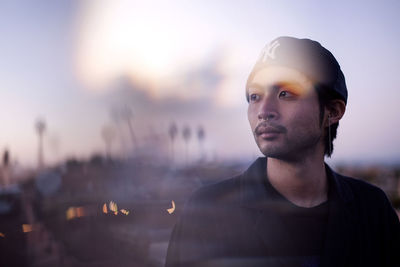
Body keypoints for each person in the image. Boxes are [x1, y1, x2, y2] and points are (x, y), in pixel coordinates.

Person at [165, 36, 400, 267]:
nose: (264, 111)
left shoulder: (372, 209)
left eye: (285, 93)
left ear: (333, 111)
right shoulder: (207, 211)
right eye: (255, 96)